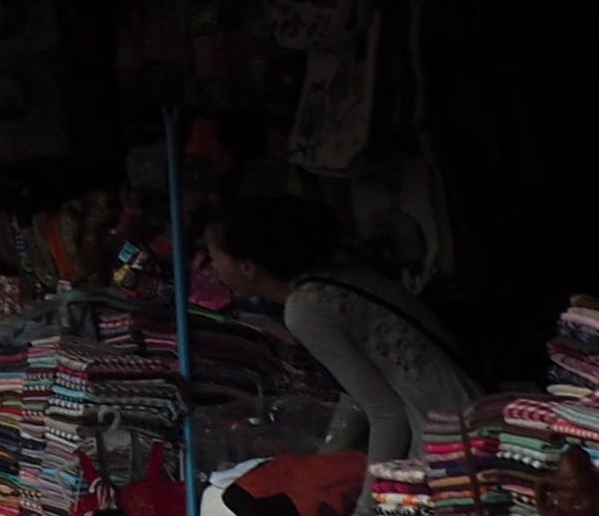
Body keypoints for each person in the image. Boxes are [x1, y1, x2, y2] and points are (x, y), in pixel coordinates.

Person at [204, 194, 483, 460]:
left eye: (215, 256)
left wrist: (366, 508)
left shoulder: (306, 308)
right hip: (469, 410)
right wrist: (326, 460)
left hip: (447, 439)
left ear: (247, 267)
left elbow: (386, 414)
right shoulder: (337, 277)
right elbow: (358, 395)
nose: (210, 265)